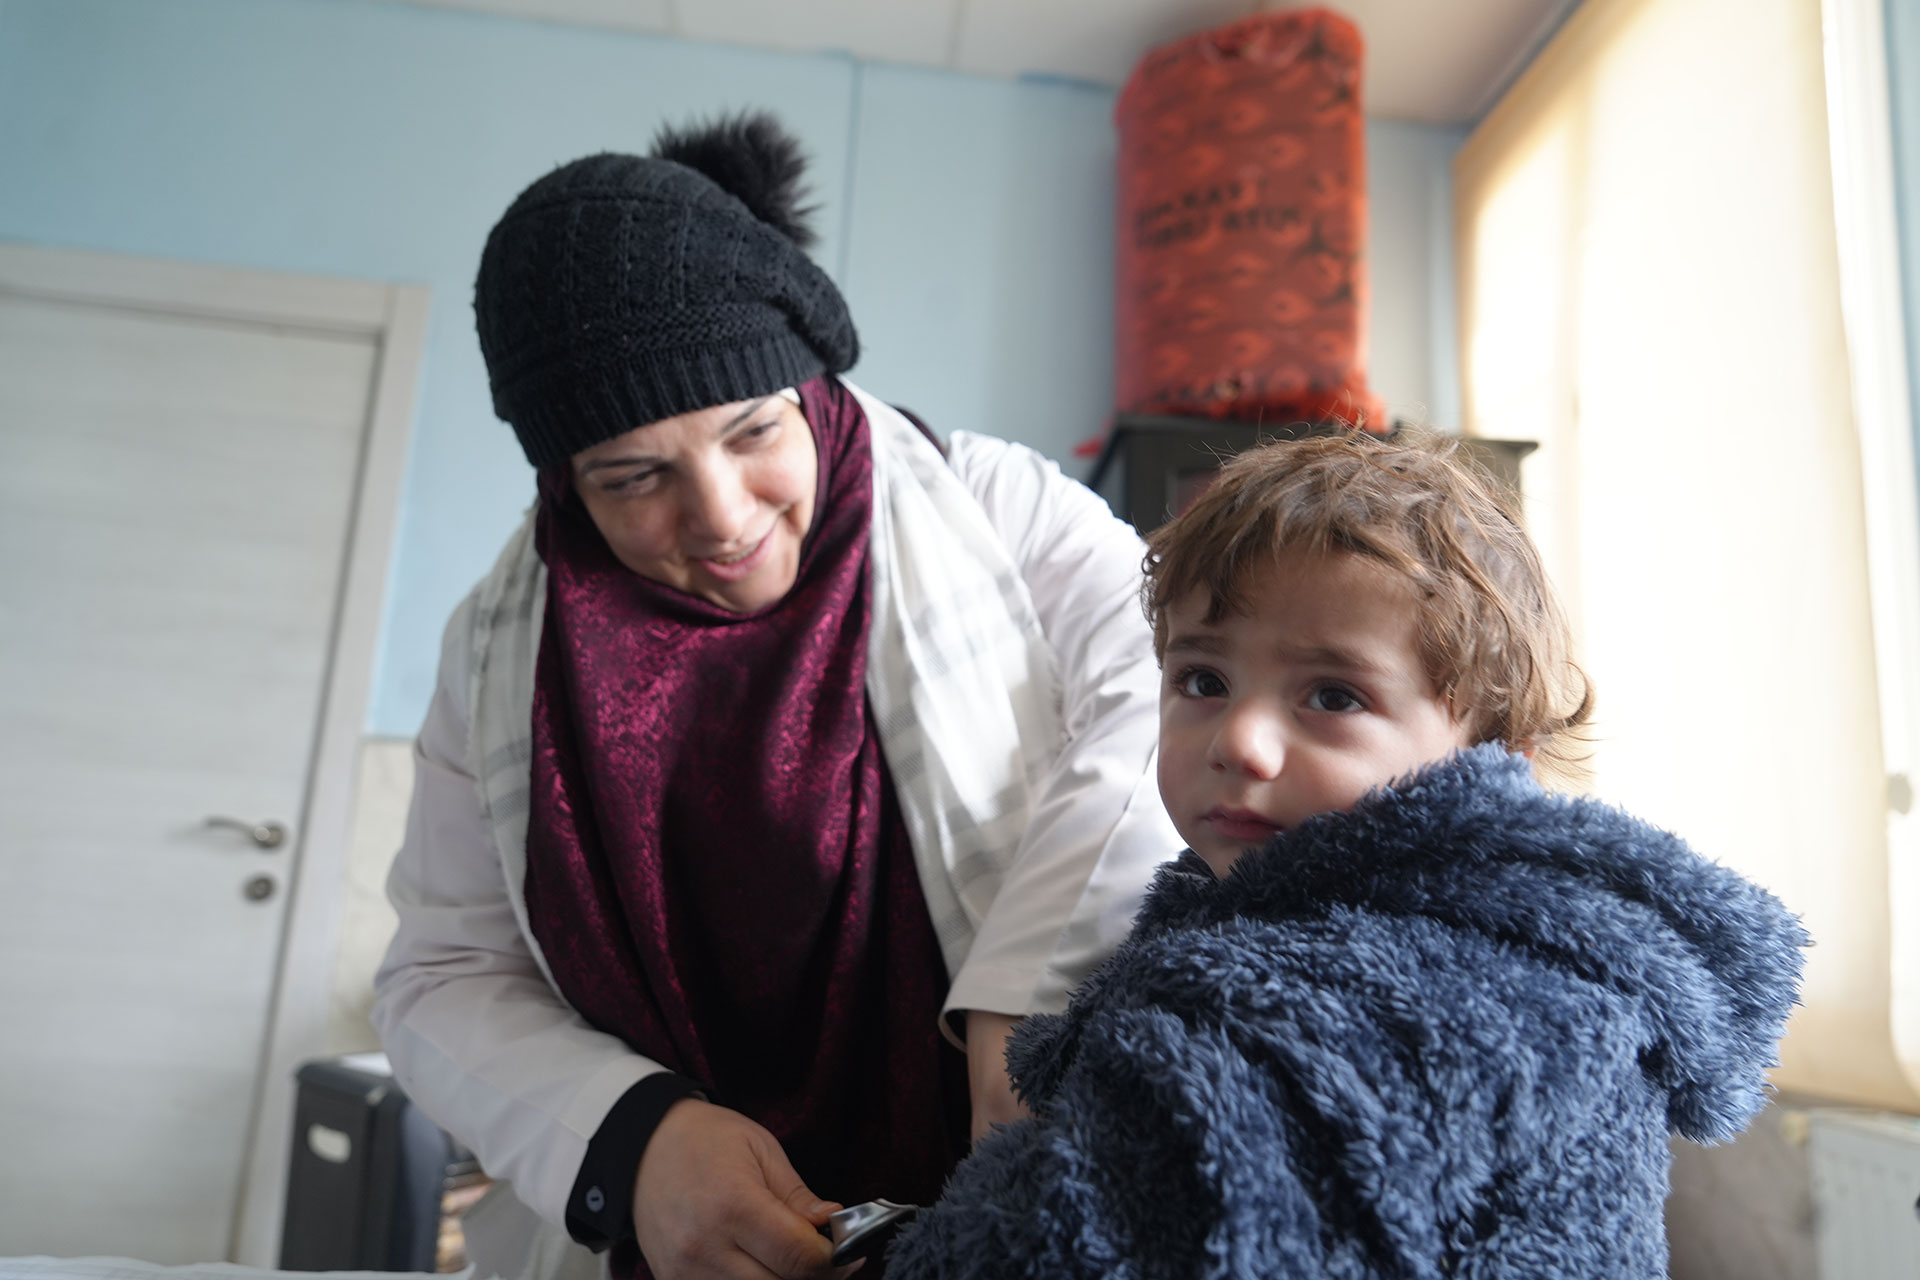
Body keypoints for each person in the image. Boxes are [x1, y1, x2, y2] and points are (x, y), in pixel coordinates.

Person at [369, 113, 1179, 1280]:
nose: (721, 515)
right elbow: (439, 975)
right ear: (564, 484)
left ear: (811, 384)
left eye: (752, 428)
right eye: (633, 476)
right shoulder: (499, 653)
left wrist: (1031, 998)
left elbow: (1161, 707)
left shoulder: (1000, 512)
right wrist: (632, 1141)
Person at [886, 430, 1808, 1279]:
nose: (1240, 742)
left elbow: (1102, 1233)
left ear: (1493, 753)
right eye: (1202, 680)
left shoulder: (1408, 998)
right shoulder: (1295, 917)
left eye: (1331, 696)